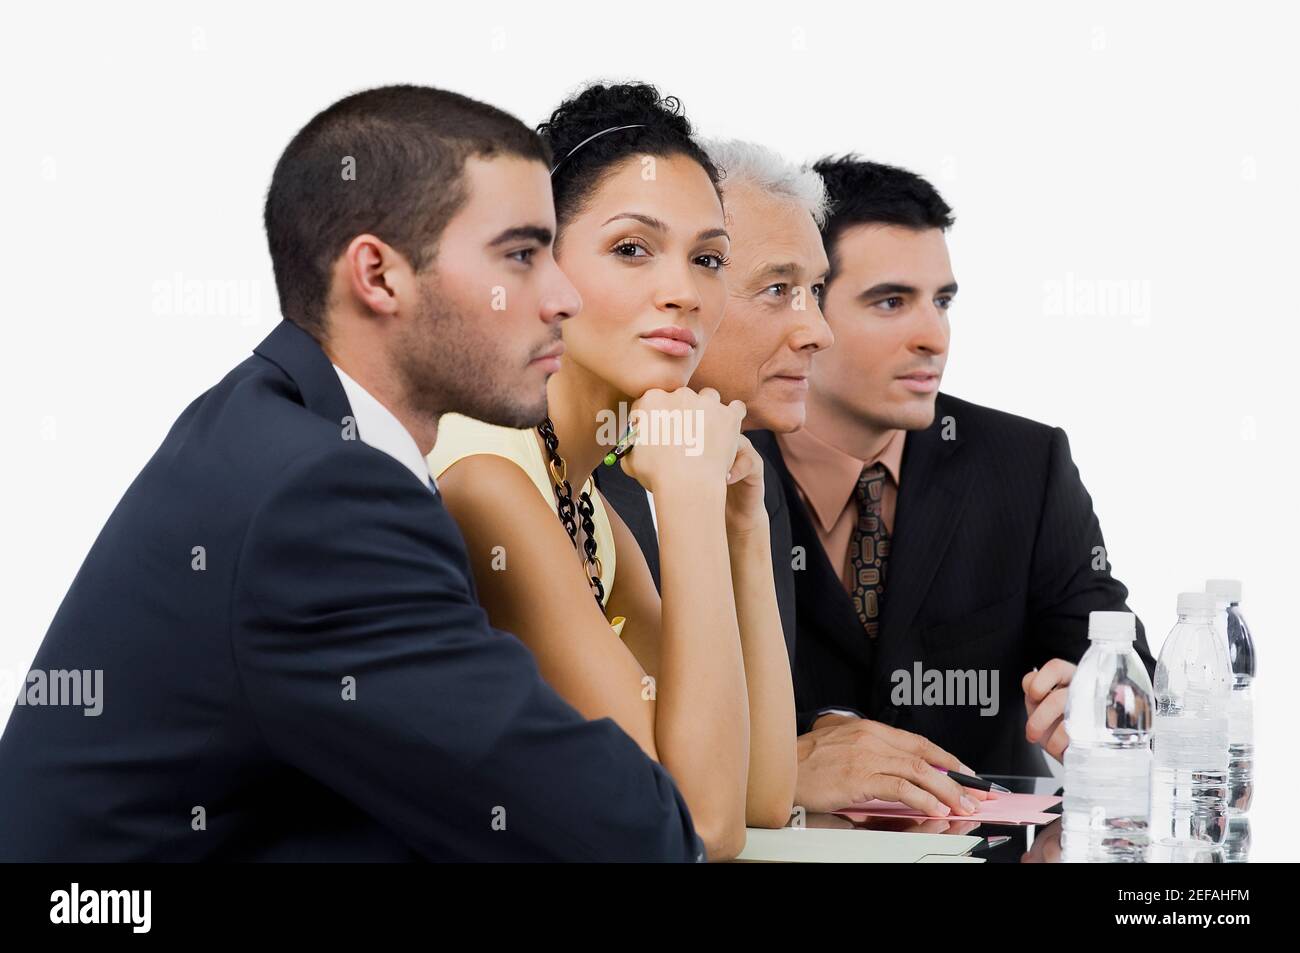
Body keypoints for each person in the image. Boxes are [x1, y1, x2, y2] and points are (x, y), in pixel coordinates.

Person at [0, 85, 705, 862]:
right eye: (520, 255)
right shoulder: (322, 498)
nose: (561, 296)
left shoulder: (287, 428)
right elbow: (629, 835)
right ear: (378, 276)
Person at [427, 84, 797, 859]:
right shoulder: (488, 476)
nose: (684, 293)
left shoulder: (586, 506)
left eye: (708, 260)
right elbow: (700, 828)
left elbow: (761, 793)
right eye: (632, 248)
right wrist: (688, 503)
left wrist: (741, 526)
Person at [600, 139, 994, 819]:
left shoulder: (750, 476)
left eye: (815, 291)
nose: (818, 331)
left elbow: (756, 782)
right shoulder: (586, 477)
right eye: (779, 289)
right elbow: (688, 804)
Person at [752, 156, 1155, 799]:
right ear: (806, 308)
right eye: (891, 302)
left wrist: (1100, 698)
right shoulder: (718, 461)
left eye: (941, 302)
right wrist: (785, 759)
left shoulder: (1025, 463)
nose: (933, 336)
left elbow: (1117, 661)